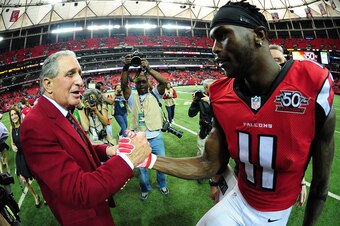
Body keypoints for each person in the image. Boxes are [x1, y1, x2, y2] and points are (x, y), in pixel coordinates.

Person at [144, 1, 335, 225]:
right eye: (213, 40)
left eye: (222, 35)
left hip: (274, 213)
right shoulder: (221, 93)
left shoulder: (311, 84)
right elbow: (209, 164)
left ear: (258, 35)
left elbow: (321, 183)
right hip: (238, 197)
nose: (214, 48)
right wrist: (147, 159)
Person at [20, 50, 151, 226]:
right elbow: (79, 190)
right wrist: (129, 159)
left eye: (80, 74)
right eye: (70, 74)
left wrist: (110, 150)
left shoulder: (62, 110)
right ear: (48, 84)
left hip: (97, 207)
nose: (80, 81)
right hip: (84, 217)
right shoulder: (34, 125)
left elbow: (81, 148)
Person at [121, 54, 169, 201]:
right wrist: (126, 67)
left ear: (148, 83)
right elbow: (123, 85)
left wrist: (148, 69)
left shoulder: (155, 94)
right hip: (138, 140)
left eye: (144, 81)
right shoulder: (131, 96)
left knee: (161, 165)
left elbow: (164, 82)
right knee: (142, 168)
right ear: (135, 83)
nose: (142, 84)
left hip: (156, 138)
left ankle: (162, 184)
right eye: (139, 82)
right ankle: (145, 188)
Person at [8, 106, 42, 208]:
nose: (13, 116)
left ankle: (45, 195)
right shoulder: (11, 128)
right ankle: (35, 196)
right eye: (11, 115)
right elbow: (12, 142)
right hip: (20, 157)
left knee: (37, 177)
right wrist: (13, 146)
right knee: (24, 180)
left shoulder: (24, 126)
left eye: (15, 114)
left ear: (18, 115)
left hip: (28, 155)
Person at [188, 79, 215, 184]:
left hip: (216, 130)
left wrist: (210, 101)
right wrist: (194, 102)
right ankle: (201, 173)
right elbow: (191, 114)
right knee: (201, 152)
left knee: (215, 153)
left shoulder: (218, 97)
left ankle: (213, 172)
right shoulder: (200, 98)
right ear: (205, 88)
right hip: (204, 129)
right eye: (209, 87)